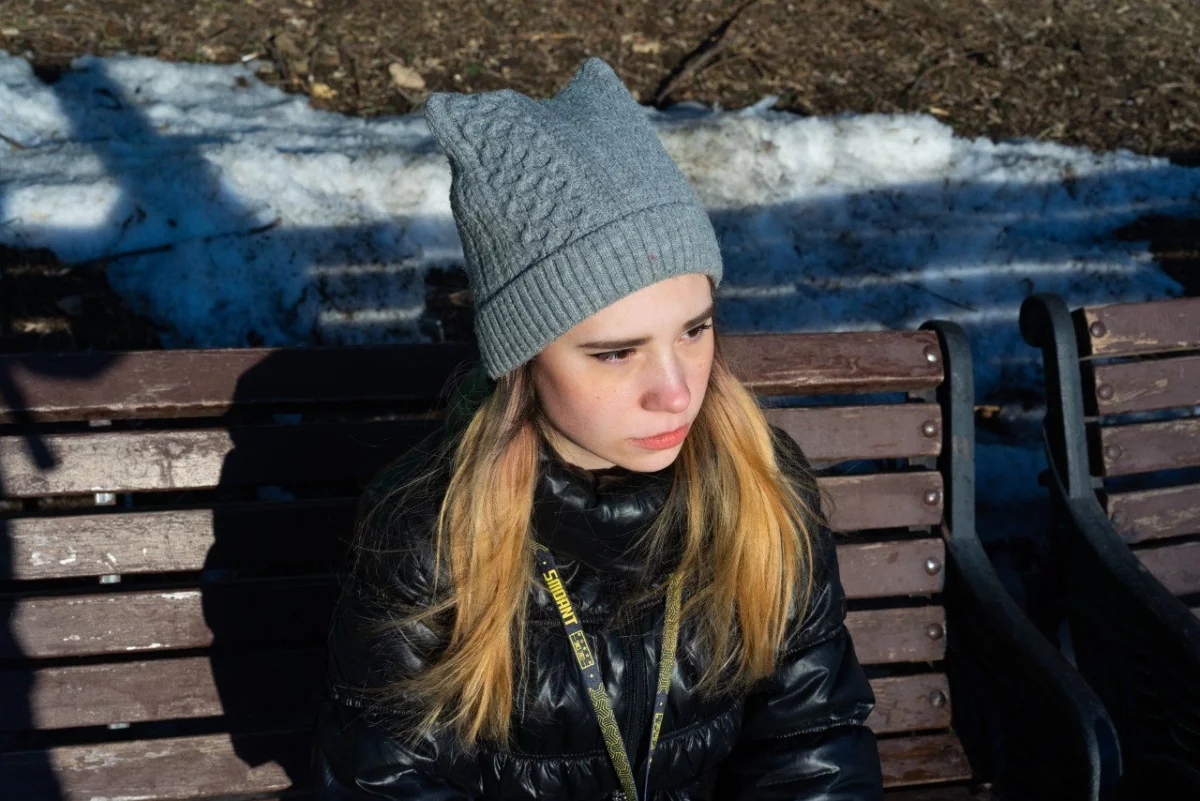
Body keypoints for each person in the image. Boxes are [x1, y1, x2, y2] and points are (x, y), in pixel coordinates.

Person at [311, 56, 884, 800]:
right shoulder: (432, 534)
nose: (676, 392)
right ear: (522, 362)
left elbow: (812, 741)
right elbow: (388, 781)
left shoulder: (759, 484)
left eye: (694, 330)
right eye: (616, 353)